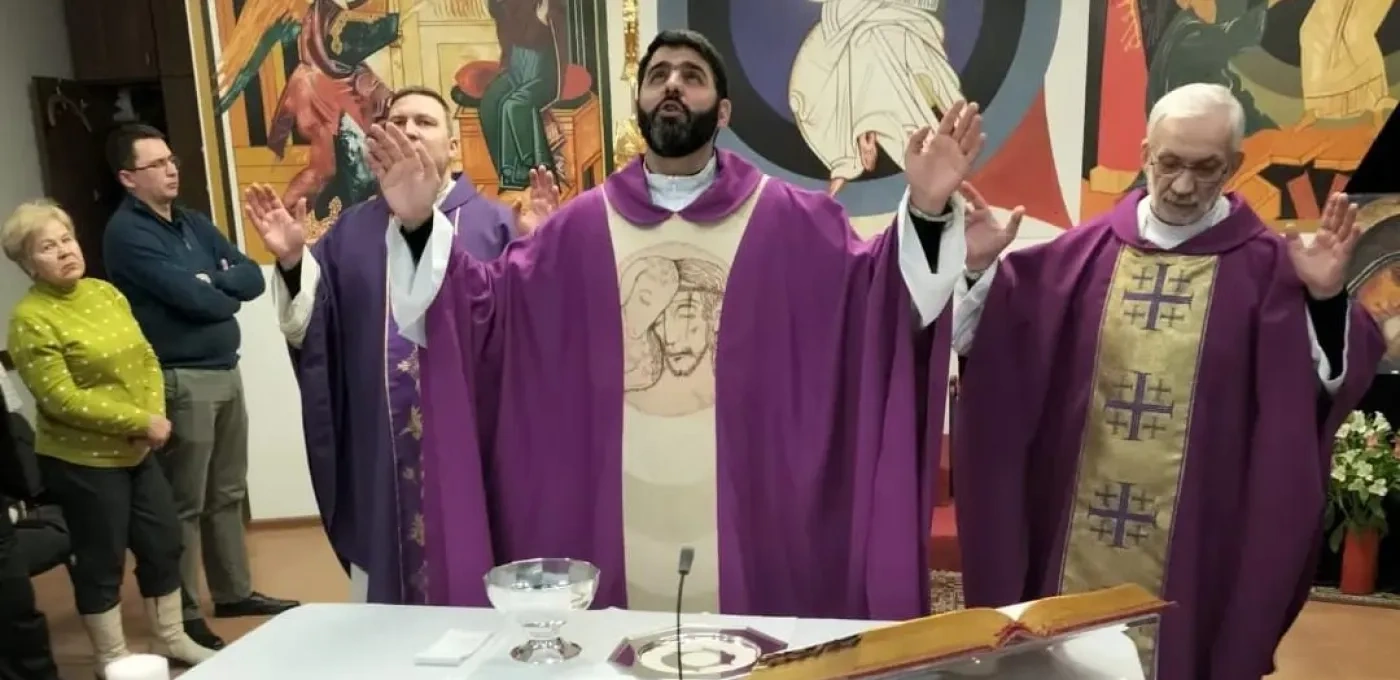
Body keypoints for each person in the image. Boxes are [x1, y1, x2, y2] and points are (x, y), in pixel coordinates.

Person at [378, 29, 977, 619]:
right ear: (638, 102)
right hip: (607, 512)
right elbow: (482, 311)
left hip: (753, 514)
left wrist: (924, 210)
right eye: (658, 75)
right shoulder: (577, 230)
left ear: (722, 111)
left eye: (692, 77)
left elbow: (879, 298)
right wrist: (417, 223)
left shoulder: (791, 220)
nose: (672, 85)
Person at [950, 82, 1385, 680]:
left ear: (1235, 165)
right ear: (1144, 152)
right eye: (1169, 162)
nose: (1183, 185)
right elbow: (989, 349)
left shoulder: (1269, 271)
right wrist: (977, 271)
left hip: (1200, 537)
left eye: (1206, 168)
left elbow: (1325, 382)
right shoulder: (1075, 261)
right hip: (1072, 533)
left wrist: (1326, 297)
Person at [243, 86, 538, 604]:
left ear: (453, 147)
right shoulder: (352, 230)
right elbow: (317, 333)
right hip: (382, 448)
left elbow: (528, 342)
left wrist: (540, 248)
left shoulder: (498, 225)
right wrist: (293, 263)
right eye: (396, 121)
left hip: (473, 438)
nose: (408, 130)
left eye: (424, 121)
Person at [101, 124, 299, 648]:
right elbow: (194, 300)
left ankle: (234, 590)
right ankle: (182, 611)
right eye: (156, 164)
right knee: (184, 501)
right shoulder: (128, 234)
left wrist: (213, 281)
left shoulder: (190, 221)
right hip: (179, 377)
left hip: (223, 368)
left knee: (229, 491)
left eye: (172, 159)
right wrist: (213, 284)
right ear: (127, 178)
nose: (171, 169)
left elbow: (251, 280)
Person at [2, 200, 217, 673]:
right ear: (26, 263)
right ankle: (112, 658)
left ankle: (172, 640)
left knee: (163, 542)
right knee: (101, 561)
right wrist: (138, 422)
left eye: (67, 240)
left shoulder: (104, 292)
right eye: (47, 247)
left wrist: (154, 415)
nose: (64, 252)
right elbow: (61, 398)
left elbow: (144, 357)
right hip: (82, 462)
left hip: (139, 451)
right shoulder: (30, 319)